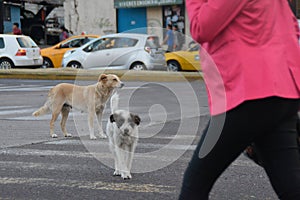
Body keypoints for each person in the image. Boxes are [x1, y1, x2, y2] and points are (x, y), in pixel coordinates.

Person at [179, 0, 300, 199]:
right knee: (291, 188)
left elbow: (202, 27)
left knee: (195, 184)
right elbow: (292, 29)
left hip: (249, 95)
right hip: (282, 92)